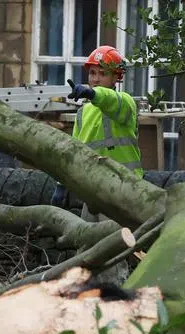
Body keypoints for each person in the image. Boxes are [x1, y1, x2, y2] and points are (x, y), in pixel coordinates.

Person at [50, 45, 143, 284]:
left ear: (116, 77)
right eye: (92, 73)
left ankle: (114, 303)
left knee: (112, 254)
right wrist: (62, 184)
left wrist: (93, 94)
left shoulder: (125, 103)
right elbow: (74, 150)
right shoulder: (84, 113)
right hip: (92, 193)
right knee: (87, 253)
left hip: (119, 192)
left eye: (102, 73)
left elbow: (109, 100)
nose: (96, 79)